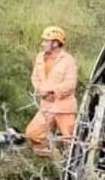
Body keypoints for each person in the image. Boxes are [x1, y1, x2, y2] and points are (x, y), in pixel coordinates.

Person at [25, 26, 78, 157]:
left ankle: (71, 162)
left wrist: (51, 90)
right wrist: (40, 90)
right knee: (32, 134)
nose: (42, 44)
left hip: (64, 107)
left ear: (55, 43)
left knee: (71, 141)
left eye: (46, 41)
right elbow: (35, 77)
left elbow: (70, 84)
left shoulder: (68, 60)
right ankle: (52, 155)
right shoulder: (40, 57)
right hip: (47, 106)